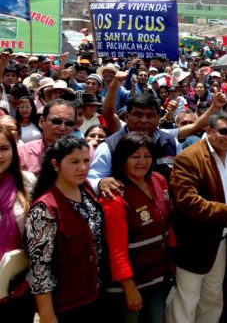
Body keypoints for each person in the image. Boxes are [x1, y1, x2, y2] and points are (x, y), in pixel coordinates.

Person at [166, 111, 227, 323]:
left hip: (221, 241)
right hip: (194, 243)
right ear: (208, 130)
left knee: (212, 299)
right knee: (186, 301)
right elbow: (188, 201)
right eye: (223, 131)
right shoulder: (189, 157)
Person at [25, 136, 105, 323]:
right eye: (74, 162)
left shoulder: (85, 189)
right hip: (67, 305)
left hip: (96, 294)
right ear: (55, 164)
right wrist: (47, 315)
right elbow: (39, 269)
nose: (83, 167)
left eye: (86, 161)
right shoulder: (45, 209)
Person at [101, 133, 171, 323]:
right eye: (135, 156)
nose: (142, 162)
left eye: (147, 156)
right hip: (128, 285)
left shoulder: (158, 180)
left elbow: (168, 226)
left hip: (156, 278)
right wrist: (129, 288)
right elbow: (116, 250)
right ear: (122, 159)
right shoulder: (115, 195)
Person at [0, 126, 36, 322]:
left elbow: (40, 237)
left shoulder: (27, 182)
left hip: (18, 284)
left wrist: (29, 279)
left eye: (4, 148)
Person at [18, 99, 77, 176]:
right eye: (56, 121)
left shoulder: (85, 153)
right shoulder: (22, 154)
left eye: (69, 123)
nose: (63, 128)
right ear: (42, 122)